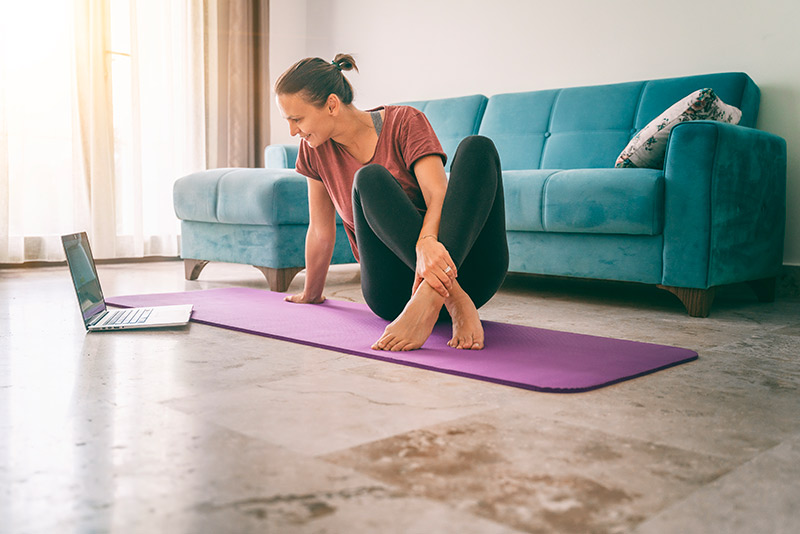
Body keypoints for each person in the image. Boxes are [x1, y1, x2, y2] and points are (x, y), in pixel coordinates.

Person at [274, 53, 508, 352]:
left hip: (470, 270)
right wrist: (311, 293)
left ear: (331, 104)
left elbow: (438, 194)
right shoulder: (312, 150)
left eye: (297, 119)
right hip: (394, 292)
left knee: (478, 148)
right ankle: (454, 298)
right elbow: (320, 231)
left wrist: (426, 242)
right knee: (369, 179)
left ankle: (429, 299)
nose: (293, 131)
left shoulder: (404, 121)